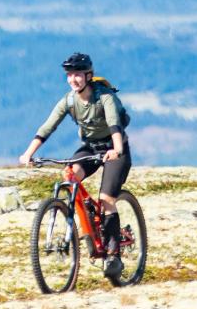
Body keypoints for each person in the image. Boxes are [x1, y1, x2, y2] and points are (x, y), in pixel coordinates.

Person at [18, 51, 132, 255]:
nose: (73, 79)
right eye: (69, 75)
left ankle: (114, 254)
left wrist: (116, 150)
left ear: (89, 76)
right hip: (91, 147)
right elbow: (47, 127)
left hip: (115, 147)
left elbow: (115, 125)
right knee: (70, 175)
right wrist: (28, 154)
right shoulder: (69, 101)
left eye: (78, 74)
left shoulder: (106, 97)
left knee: (106, 200)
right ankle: (88, 222)